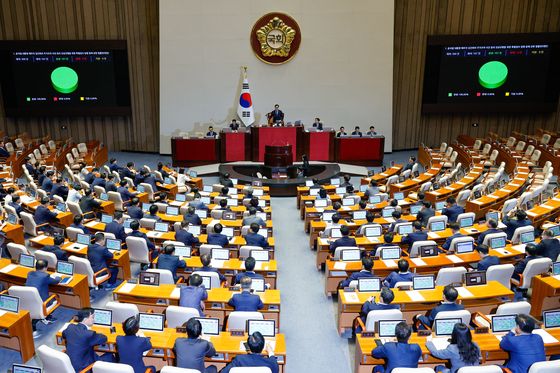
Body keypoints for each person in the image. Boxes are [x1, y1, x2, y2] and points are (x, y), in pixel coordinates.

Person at [25, 259, 60, 334]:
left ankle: (43, 317)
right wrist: (58, 277)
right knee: (56, 297)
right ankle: (46, 317)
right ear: (45, 268)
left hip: (28, 302)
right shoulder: (45, 276)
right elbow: (56, 281)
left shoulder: (30, 273)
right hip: (41, 304)